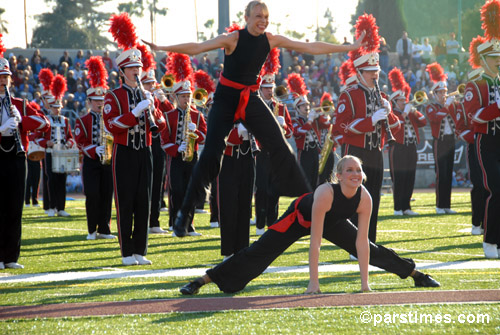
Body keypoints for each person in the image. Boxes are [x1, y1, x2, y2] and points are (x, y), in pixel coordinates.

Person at [143, 0, 365, 237]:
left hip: (250, 97)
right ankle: (184, 213)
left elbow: (309, 47)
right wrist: (161, 47)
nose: (263, 20)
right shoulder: (233, 39)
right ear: (247, 17)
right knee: (211, 154)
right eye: (258, 16)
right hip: (226, 98)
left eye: (266, 17)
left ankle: (304, 200)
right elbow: (198, 47)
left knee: (279, 144)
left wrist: (348, 48)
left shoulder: (270, 39)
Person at [178, 156, 440, 295]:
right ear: (338, 176)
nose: (354, 174)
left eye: (357, 170)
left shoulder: (365, 197)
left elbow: (362, 244)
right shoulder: (326, 192)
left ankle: (415, 275)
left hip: (333, 221)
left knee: (374, 249)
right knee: (259, 253)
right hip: (300, 218)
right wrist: (313, 283)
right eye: (348, 171)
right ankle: (203, 279)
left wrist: (365, 285)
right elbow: (315, 241)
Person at [335, 51, 400, 243]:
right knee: (353, 196)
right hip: (355, 152)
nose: (375, 75)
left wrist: (389, 113)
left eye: (377, 71)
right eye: (371, 71)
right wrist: (370, 120)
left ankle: (369, 241)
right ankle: (352, 242)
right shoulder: (349, 94)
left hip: (375, 152)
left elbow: (396, 126)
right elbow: (342, 126)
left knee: (373, 198)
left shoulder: (382, 95)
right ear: (360, 72)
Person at [0, 55, 49, 270]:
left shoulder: (19, 103)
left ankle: (11, 255)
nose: (3, 80)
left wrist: (21, 120)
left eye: (6, 77)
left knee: (14, 207)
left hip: (18, 158)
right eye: (0, 76)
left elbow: (44, 123)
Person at [464, 16, 500, 258]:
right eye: (495, 58)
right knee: (495, 189)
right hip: (485, 141)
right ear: (484, 59)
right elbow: (473, 117)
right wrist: (497, 107)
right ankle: (489, 240)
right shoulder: (475, 84)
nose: (499, 62)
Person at [74, 56, 116, 240]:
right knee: (92, 195)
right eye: (96, 100)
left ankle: (104, 229)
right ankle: (92, 230)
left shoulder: (110, 118)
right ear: (89, 101)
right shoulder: (82, 120)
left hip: (108, 161)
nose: (100, 103)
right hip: (91, 162)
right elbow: (80, 140)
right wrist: (93, 149)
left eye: (102, 99)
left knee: (107, 195)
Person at [255, 58, 293, 235]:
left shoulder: (281, 108)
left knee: (274, 190)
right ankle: (260, 223)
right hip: (261, 153)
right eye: (266, 88)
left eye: (271, 88)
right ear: (260, 90)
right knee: (262, 188)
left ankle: (273, 223)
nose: (269, 91)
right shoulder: (254, 106)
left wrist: (284, 126)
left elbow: (291, 132)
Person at [387, 68, 427, 216]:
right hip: (398, 147)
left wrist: (414, 111)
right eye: (401, 101)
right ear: (394, 102)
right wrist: (404, 113)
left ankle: (406, 207)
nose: (405, 102)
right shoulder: (393, 114)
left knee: (410, 176)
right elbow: (395, 126)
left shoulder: (409, 112)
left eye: (405, 100)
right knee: (399, 178)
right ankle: (398, 208)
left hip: (411, 146)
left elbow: (423, 122)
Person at [218, 121, 259, 257]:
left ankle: (242, 250)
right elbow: (218, 137)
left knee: (245, 207)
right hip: (230, 161)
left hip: (248, 160)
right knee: (228, 207)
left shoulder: (252, 110)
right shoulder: (225, 110)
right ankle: (228, 252)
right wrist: (235, 133)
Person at [141, 67, 173, 234]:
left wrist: (164, 100)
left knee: (158, 184)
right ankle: (141, 221)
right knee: (142, 184)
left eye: (152, 84)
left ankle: (154, 222)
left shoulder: (157, 99)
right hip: (141, 144)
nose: (151, 87)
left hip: (157, 145)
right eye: (147, 84)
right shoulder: (137, 96)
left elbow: (171, 115)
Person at [38, 75, 76, 217]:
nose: (57, 110)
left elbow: (71, 137)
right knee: (52, 179)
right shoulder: (45, 120)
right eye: (54, 108)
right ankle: (51, 206)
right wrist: (46, 143)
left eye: (58, 108)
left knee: (62, 180)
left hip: (63, 152)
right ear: (50, 107)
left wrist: (68, 143)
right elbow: (37, 138)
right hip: (50, 152)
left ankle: (61, 207)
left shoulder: (65, 120)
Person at [425, 62, 457, 214]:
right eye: (441, 93)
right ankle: (439, 205)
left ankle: (447, 205)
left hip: (451, 141)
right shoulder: (431, 106)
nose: (444, 95)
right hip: (439, 141)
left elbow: (458, 119)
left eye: (445, 92)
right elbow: (435, 118)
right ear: (435, 94)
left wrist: (453, 106)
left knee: (449, 172)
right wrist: (447, 107)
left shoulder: (450, 105)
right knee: (441, 173)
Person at [458, 68, 487, 236]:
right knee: (478, 184)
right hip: (476, 145)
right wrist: (477, 137)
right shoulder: (463, 104)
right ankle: (477, 222)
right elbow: (460, 129)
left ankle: (489, 222)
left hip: (490, 143)